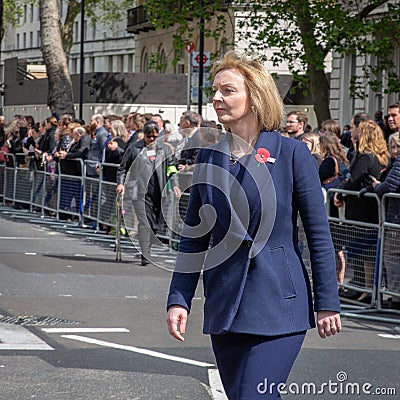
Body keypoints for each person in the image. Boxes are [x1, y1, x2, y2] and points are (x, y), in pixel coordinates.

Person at [166, 51, 341, 400]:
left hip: (280, 306)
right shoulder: (208, 156)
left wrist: (328, 301)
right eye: (215, 90)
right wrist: (178, 298)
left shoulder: (292, 154)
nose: (216, 97)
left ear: (255, 97)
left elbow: (318, 234)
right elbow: (194, 239)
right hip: (226, 306)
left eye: (227, 90)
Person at [334, 119, 389, 302]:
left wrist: (340, 194)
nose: (353, 130)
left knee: (362, 251)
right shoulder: (377, 156)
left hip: (362, 209)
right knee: (362, 251)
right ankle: (359, 287)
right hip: (367, 208)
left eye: (356, 128)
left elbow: (354, 180)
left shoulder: (366, 157)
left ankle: (363, 288)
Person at [116, 121, 181, 266]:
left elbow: (171, 168)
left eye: (155, 136)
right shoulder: (134, 148)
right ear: (144, 135)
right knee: (144, 222)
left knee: (155, 225)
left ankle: (147, 247)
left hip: (159, 192)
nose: (152, 139)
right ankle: (145, 254)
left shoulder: (165, 149)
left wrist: (175, 184)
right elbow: (123, 168)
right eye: (149, 136)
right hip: (139, 192)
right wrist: (121, 183)